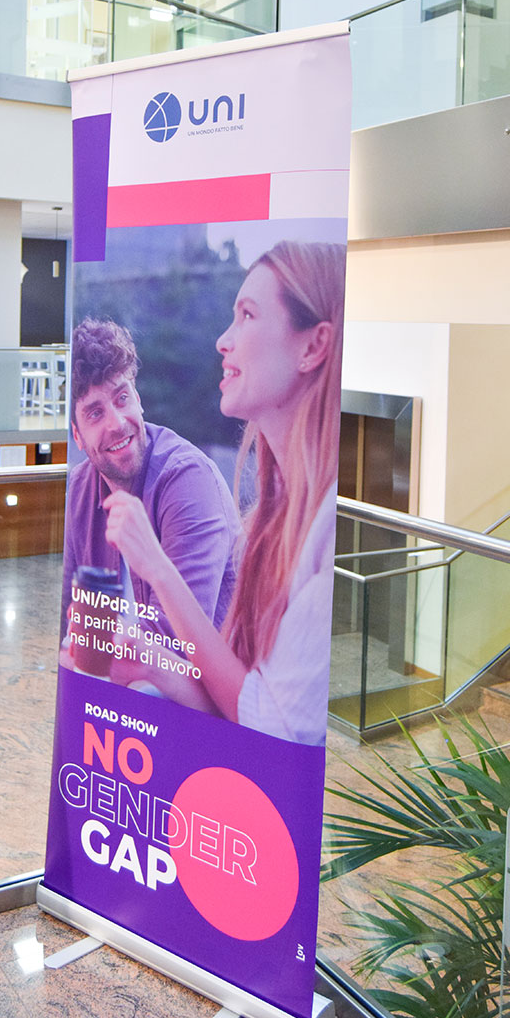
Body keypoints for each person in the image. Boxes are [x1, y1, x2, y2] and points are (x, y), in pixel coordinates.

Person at [106, 240, 345, 745]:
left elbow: (269, 731)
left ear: (313, 347)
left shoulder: (327, 531)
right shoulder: (272, 517)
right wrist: (152, 663)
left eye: (248, 315)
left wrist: (156, 566)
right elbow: (240, 702)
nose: (222, 340)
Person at [60, 318, 239, 663]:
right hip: (123, 681)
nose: (116, 422)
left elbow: (176, 645)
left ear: (138, 399)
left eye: (122, 398)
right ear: (77, 436)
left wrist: (86, 645)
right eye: (95, 413)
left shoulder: (189, 480)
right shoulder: (80, 489)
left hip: (201, 690)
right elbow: (64, 617)